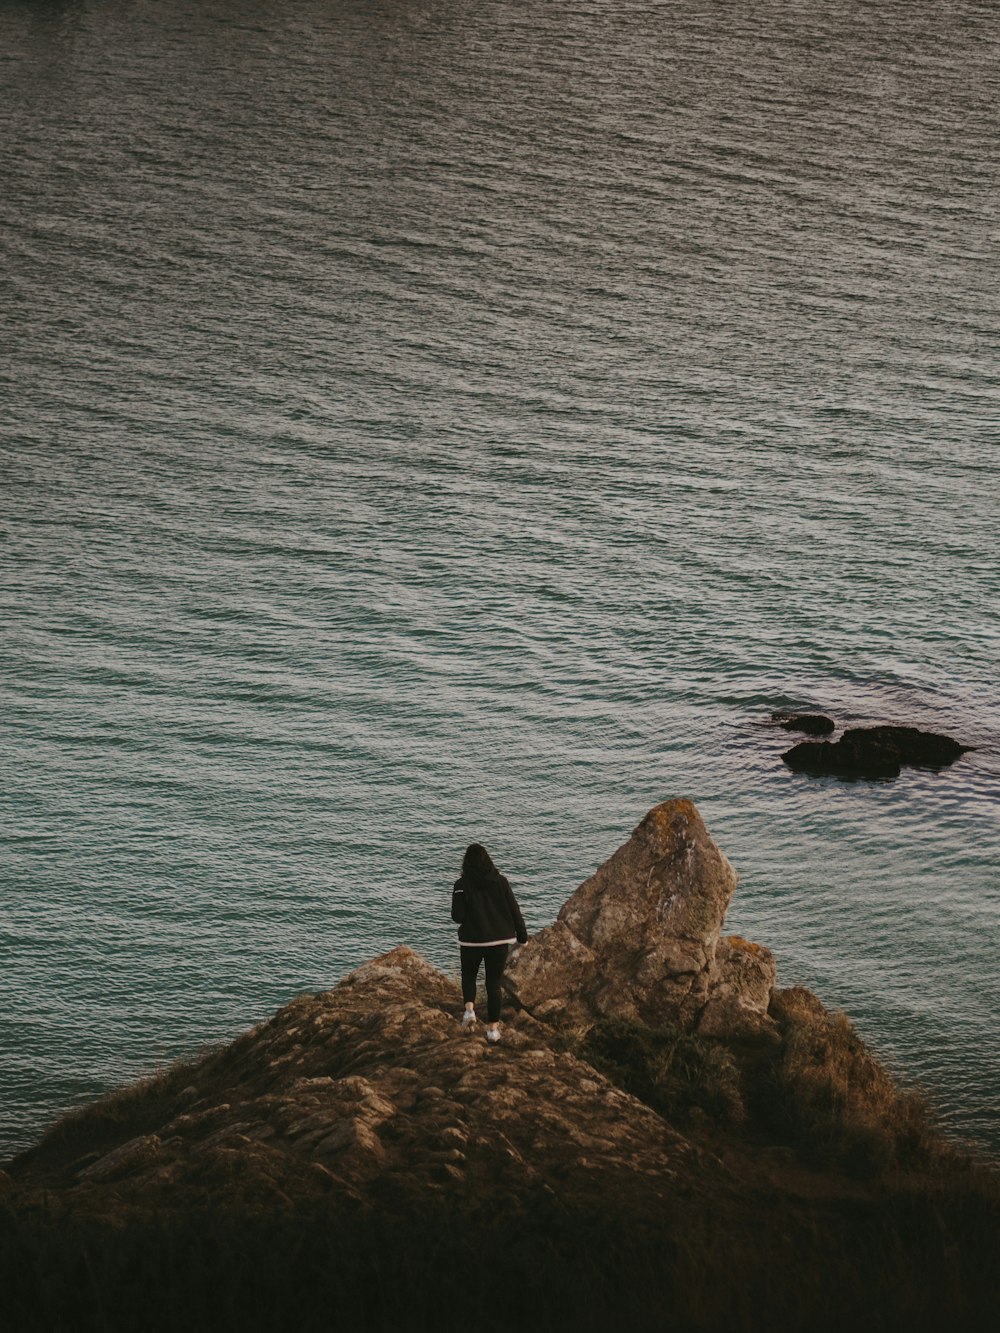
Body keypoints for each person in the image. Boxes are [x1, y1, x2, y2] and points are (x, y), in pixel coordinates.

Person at [451, 842, 528, 1044]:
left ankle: (469, 1011)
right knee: (493, 984)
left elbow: (457, 917)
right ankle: (493, 1030)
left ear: (466, 863)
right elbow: (514, 910)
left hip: (472, 941)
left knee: (469, 976)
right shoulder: (501, 882)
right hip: (499, 940)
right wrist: (522, 937)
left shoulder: (461, 885)